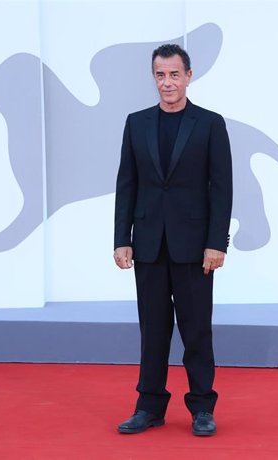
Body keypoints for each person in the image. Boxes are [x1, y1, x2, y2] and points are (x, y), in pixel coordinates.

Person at [113, 44, 233, 436]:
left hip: (195, 246)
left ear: (189, 76)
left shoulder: (210, 123)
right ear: (154, 77)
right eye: (161, 75)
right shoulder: (136, 123)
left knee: (197, 329)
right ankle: (149, 406)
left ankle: (202, 408)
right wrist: (121, 238)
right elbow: (126, 185)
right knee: (153, 330)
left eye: (174, 75)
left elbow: (222, 188)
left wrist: (217, 243)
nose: (167, 82)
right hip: (148, 244)